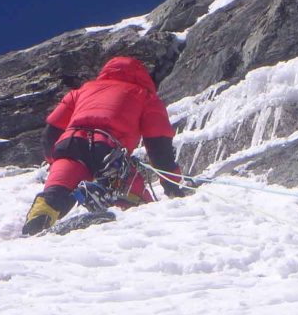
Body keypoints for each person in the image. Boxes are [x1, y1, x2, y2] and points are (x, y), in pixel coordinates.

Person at [22, 55, 188, 235]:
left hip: (70, 145)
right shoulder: (144, 96)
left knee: (55, 193)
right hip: (109, 152)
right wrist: (172, 186)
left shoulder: (82, 91)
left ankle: (35, 228)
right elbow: (159, 145)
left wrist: (54, 161)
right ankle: (128, 233)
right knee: (135, 203)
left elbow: (50, 133)